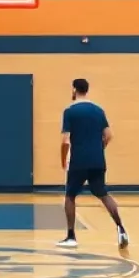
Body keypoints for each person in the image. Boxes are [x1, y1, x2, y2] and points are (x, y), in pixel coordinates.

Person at [57, 78, 128, 250]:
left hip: (78, 161)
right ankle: (121, 229)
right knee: (102, 193)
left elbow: (66, 141)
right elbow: (109, 135)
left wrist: (62, 160)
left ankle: (71, 236)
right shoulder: (98, 111)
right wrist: (99, 148)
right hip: (97, 160)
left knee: (70, 196)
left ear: (74, 90)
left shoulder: (70, 111)